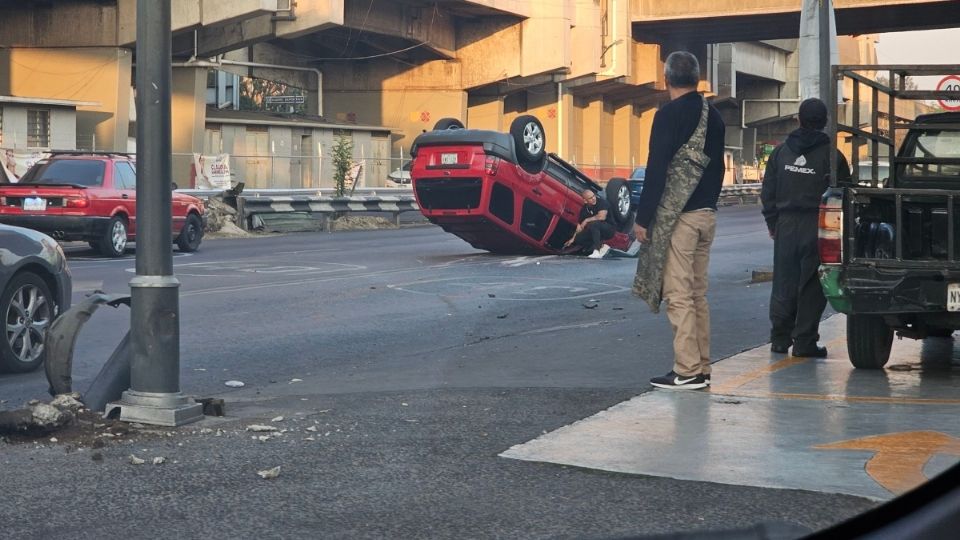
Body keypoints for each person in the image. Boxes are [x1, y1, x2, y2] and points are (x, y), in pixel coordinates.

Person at [632, 51, 726, 390]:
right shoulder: (712, 116)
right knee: (698, 294)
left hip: (681, 219)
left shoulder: (667, 116)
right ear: (698, 78)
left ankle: (686, 371)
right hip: (706, 216)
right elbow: (718, 169)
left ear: (666, 79)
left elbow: (657, 170)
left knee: (679, 294)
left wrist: (643, 218)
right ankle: (701, 367)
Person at [761, 97, 851, 357]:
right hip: (819, 227)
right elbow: (845, 195)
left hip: (786, 225)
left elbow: (768, 190)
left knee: (783, 282)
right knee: (812, 285)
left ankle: (779, 339)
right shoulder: (833, 156)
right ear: (825, 123)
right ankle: (804, 342)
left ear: (798, 119)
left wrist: (772, 223)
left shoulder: (781, 152)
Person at [565, 188, 614, 259]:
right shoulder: (584, 210)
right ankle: (602, 246)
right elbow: (579, 226)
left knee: (594, 224)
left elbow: (601, 217)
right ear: (585, 201)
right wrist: (573, 239)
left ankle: (597, 251)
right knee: (578, 239)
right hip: (596, 229)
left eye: (593, 196)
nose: (594, 199)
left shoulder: (602, 202)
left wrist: (586, 220)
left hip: (609, 229)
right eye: (590, 198)